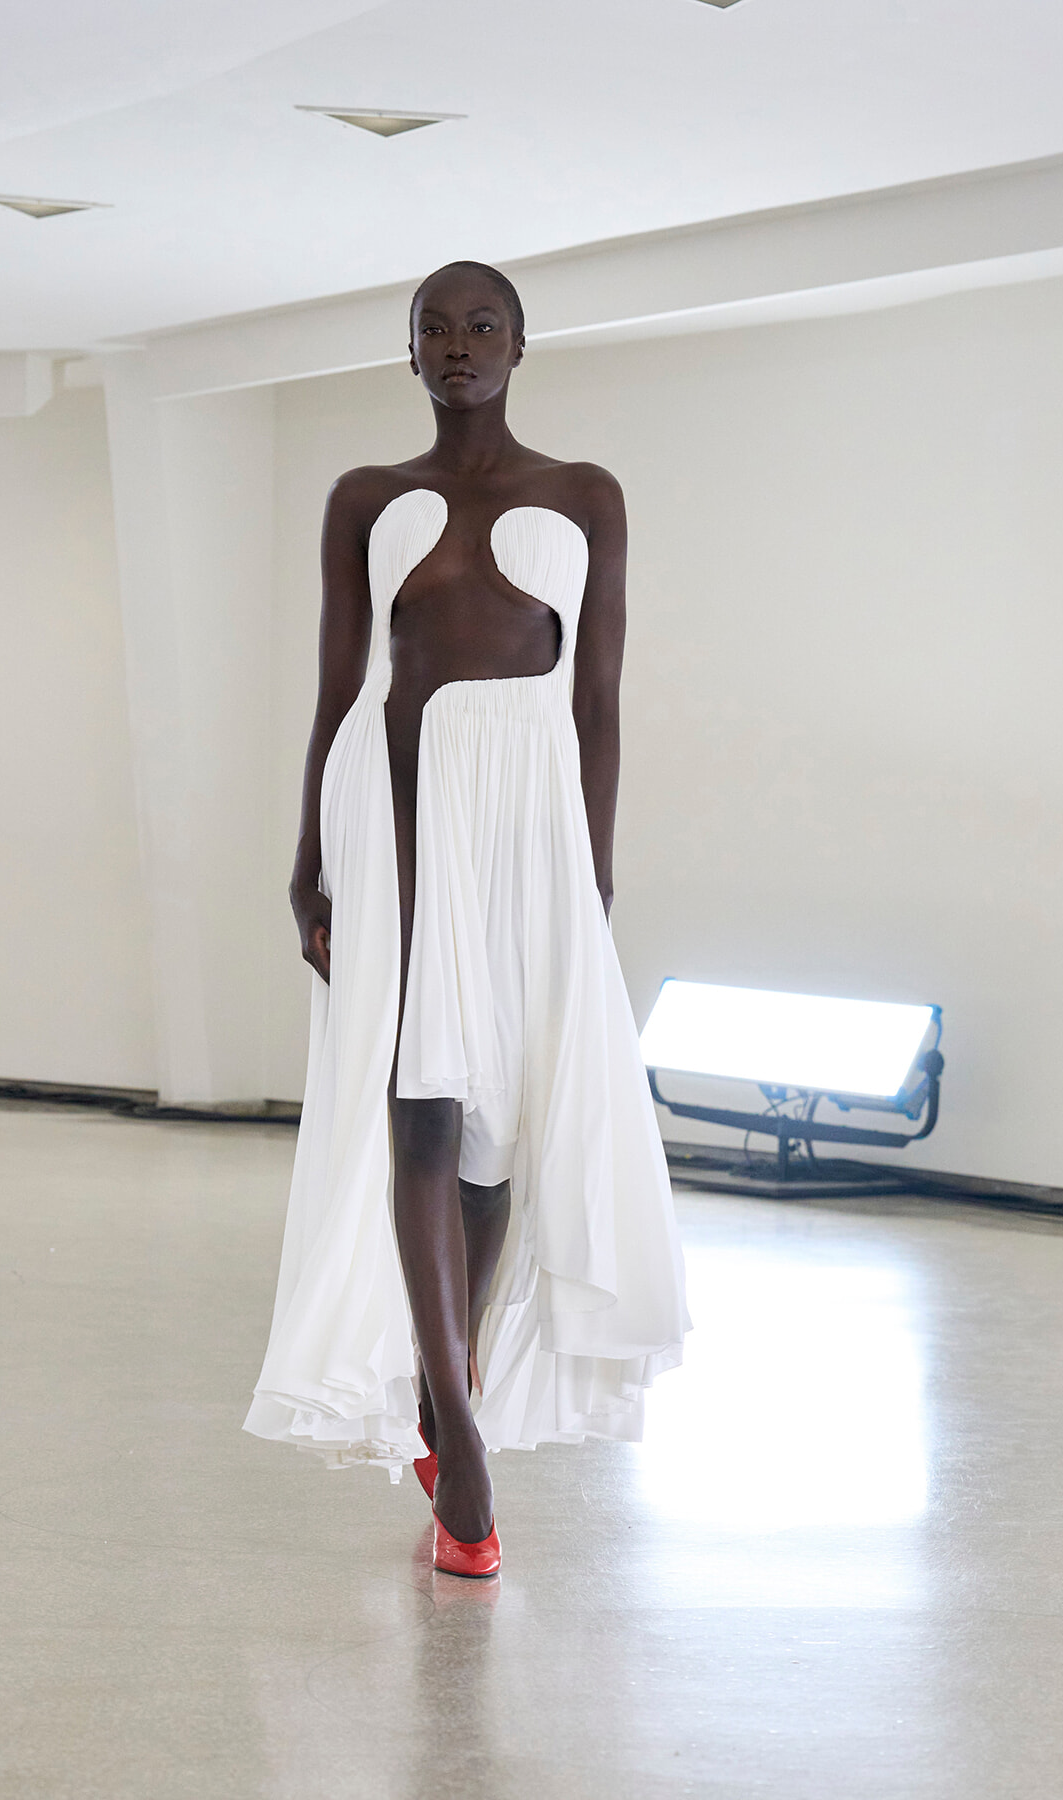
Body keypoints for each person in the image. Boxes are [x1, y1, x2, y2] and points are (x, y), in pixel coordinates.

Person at [244, 261, 688, 1577]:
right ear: (412, 353)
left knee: (499, 1131)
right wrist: (308, 864)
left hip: (532, 821)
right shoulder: (367, 504)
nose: (458, 346)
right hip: (391, 811)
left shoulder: (585, 497)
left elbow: (598, 701)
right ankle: (468, 1464)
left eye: (481, 325)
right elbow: (339, 691)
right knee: (421, 1108)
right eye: (435, 329)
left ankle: (449, 1385)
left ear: (520, 344)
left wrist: (591, 880)